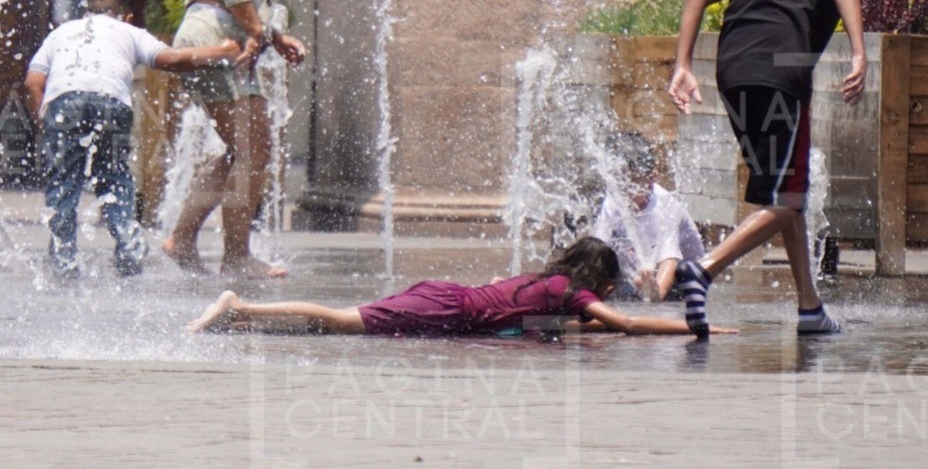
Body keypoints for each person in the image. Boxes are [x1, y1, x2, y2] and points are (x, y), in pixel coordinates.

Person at [667, 0, 870, 337]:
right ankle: (704, 269)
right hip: (780, 74)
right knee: (789, 196)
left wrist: (683, 65)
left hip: (734, 73)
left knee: (785, 194)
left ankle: (809, 308)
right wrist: (860, 53)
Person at [162, 0, 311, 279]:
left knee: (243, 148)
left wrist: (273, 34)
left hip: (217, 28)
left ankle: (183, 239)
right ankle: (236, 256)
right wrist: (257, 30)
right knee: (256, 147)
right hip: (214, 32)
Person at [24, 0, 241, 278]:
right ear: (126, 16)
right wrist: (222, 51)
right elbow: (172, 60)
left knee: (63, 184)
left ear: (86, 10)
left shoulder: (60, 33)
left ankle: (64, 262)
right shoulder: (130, 32)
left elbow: (33, 83)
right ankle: (129, 252)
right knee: (114, 179)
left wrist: (46, 121)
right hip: (111, 101)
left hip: (65, 103)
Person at [187, 237, 735, 336]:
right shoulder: (574, 292)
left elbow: (564, 324)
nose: (610, 298)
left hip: (445, 296)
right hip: (442, 311)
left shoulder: (550, 283)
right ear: (601, 281)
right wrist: (695, 326)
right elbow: (632, 325)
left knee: (341, 321)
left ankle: (241, 317)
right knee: (340, 319)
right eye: (610, 287)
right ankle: (242, 304)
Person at [592, 132, 704, 302]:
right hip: (641, 277)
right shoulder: (614, 197)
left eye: (634, 181)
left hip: (683, 281)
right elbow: (597, 249)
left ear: (652, 178)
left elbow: (669, 260)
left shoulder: (666, 206)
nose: (626, 189)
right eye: (621, 180)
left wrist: (655, 292)